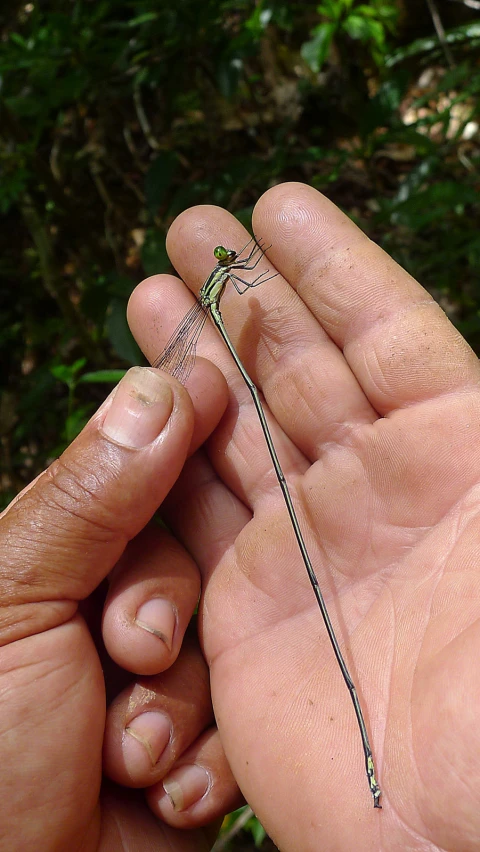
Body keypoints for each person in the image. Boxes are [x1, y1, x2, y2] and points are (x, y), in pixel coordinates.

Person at [1, 182, 479, 852]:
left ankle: (385, 782)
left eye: (226, 260)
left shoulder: (237, 280)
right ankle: (374, 776)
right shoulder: (229, 285)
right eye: (226, 260)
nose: (227, 260)